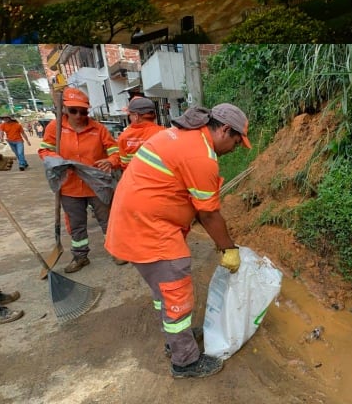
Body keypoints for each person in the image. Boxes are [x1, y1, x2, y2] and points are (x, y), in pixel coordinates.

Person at [106, 103, 251, 379]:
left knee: (164, 293)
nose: (234, 148)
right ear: (224, 130)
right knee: (176, 294)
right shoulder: (200, 156)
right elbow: (208, 214)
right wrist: (228, 248)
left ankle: (176, 340)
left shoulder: (182, 137)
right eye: (236, 142)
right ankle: (184, 360)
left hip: (136, 223)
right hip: (150, 230)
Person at [38, 87, 122, 272]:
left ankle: (116, 251)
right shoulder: (55, 128)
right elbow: (44, 150)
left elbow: (115, 151)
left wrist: (111, 161)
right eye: (73, 111)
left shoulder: (98, 129)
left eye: (83, 111)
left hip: (96, 185)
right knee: (76, 225)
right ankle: (80, 256)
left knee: (108, 220)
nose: (78, 115)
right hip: (70, 186)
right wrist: (56, 160)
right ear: (65, 110)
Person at [111, 97, 165, 171]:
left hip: (136, 176)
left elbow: (125, 165)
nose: (129, 118)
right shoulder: (165, 133)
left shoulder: (124, 136)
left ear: (136, 116)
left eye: (130, 115)